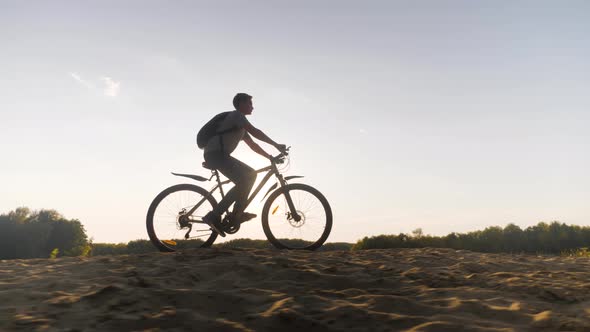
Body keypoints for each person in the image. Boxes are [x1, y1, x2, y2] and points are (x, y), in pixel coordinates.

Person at [202, 93, 286, 237]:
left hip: (219, 155)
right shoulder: (237, 116)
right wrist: (276, 145)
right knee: (246, 178)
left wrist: (270, 157)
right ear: (241, 104)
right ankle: (216, 215)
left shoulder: (239, 126)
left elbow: (253, 144)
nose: (252, 107)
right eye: (249, 103)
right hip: (215, 155)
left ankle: (236, 213)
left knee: (250, 176)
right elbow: (256, 132)